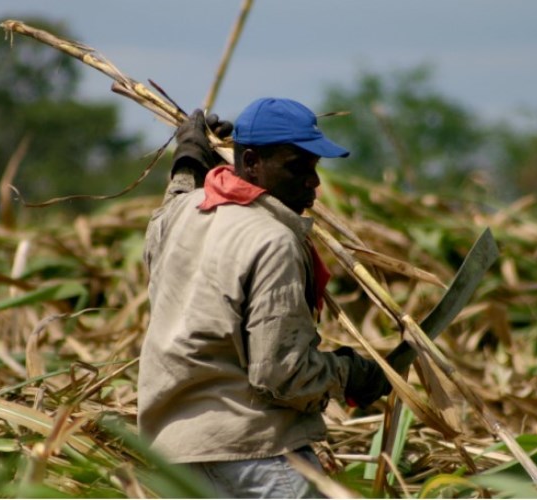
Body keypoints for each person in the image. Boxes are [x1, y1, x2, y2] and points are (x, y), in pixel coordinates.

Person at [138, 97, 390, 498]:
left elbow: (170, 210)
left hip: (173, 459)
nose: (313, 182)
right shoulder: (272, 240)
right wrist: (349, 374)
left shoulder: (180, 214)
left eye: (314, 168)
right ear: (251, 162)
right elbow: (282, 375)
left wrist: (187, 161)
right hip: (252, 455)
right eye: (297, 167)